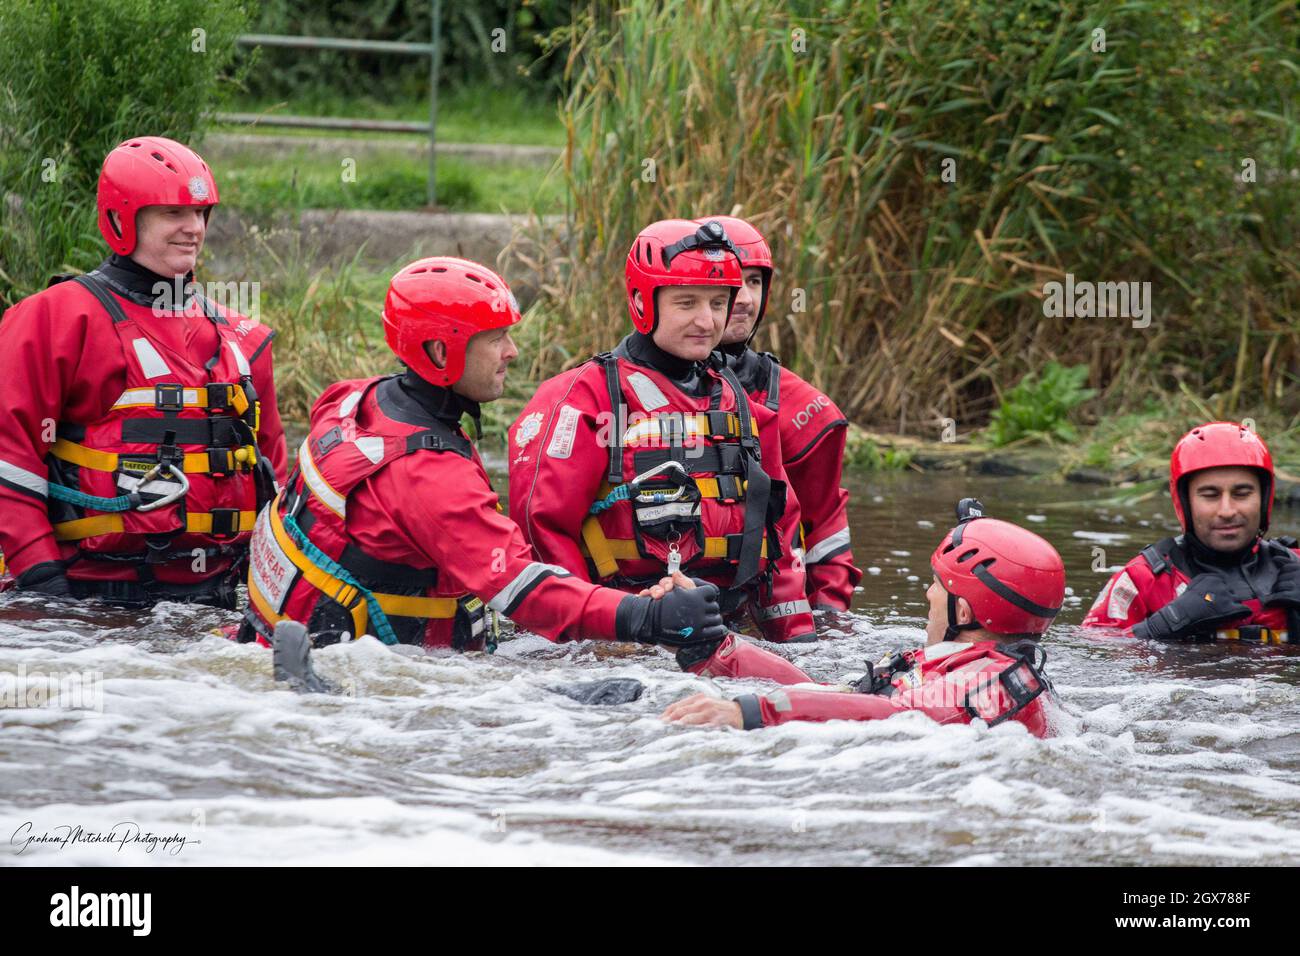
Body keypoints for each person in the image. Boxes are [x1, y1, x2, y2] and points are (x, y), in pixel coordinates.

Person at [239, 256, 727, 655]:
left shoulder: (351, 398)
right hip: (373, 680)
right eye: (496, 338)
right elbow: (523, 591)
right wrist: (647, 617)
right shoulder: (428, 475)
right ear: (438, 351)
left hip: (287, 643)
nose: (512, 352)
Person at [507, 219, 817, 676]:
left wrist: (799, 646)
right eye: (686, 304)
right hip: (621, 640)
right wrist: (594, 641)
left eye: (717, 303)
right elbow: (542, 534)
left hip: (721, 632)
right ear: (641, 302)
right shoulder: (584, 398)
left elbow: (778, 528)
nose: (706, 321)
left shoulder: (737, 400)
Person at [0, 136, 286, 608]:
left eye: (201, 213)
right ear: (121, 218)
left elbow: (272, 481)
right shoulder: (56, 318)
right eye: (173, 213)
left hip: (211, 603)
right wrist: (44, 584)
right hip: (85, 600)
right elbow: (9, 456)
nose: (192, 228)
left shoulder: (244, 340)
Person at [661, 501, 1064, 738]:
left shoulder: (985, 683)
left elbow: (892, 717)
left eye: (937, 584)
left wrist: (753, 713)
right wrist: (709, 644)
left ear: (963, 611)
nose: (928, 593)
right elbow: (841, 697)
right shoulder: (970, 667)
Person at [696, 215, 861, 611]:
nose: (747, 299)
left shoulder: (806, 411)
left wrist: (826, 629)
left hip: (765, 616)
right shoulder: (621, 389)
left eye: (755, 282)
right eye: (734, 282)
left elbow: (827, 539)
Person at [1083, 422, 1300, 643]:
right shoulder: (1142, 579)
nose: (1227, 511)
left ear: (1264, 499)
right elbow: (1094, 652)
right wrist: (1166, 625)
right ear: (1185, 503)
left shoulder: (1295, 565)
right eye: (1210, 495)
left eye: (1242, 494)